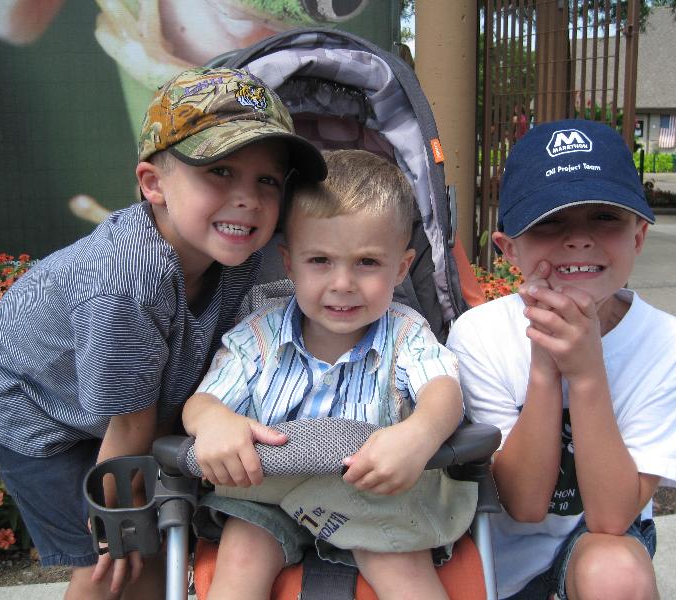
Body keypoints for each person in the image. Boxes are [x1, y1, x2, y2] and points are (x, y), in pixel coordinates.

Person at [0, 67, 326, 600]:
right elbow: (130, 429)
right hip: (31, 406)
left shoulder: (243, 252)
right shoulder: (127, 281)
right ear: (154, 185)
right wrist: (120, 522)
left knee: (152, 541)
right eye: (220, 171)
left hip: (131, 404)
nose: (248, 198)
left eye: (267, 181)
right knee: (113, 557)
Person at [182, 149, 477, 600]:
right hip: (268, 495)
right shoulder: (257, 336)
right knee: (241, 555)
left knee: (405, 571)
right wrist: (213, 421)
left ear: (401, 268)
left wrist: (420, 434)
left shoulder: (406, 334)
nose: (342, 284)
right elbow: (202, 402)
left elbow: (443, 390)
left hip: (376, 496)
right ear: (289, 263)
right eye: (320, 260)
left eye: (367, 263)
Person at [447, 119, 676, 600]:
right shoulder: (479, 335)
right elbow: (524, 504)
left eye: (605, 217)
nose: (579, 239)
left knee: (616, 573)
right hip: (500, 555)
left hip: (598, 541)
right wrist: (546, 363)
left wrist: (586, 374)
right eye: (550, 221)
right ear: (509, 249)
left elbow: (611, 519)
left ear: (638, 236)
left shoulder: (672, 345)